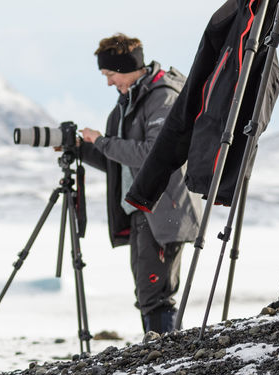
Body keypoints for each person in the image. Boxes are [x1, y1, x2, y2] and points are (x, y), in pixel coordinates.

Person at [79, 34, 200, 336]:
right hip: (143, 209)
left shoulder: (162, 97)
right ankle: (162, 356)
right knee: (148, 292)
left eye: (110, 74)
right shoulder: (129, 102)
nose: (109, 82)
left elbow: (152, 153)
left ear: (126, 67)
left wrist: (103, 142)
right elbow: (121, 163)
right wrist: (82, 149)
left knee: (157, 293)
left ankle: (168, 359)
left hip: (163, 207)